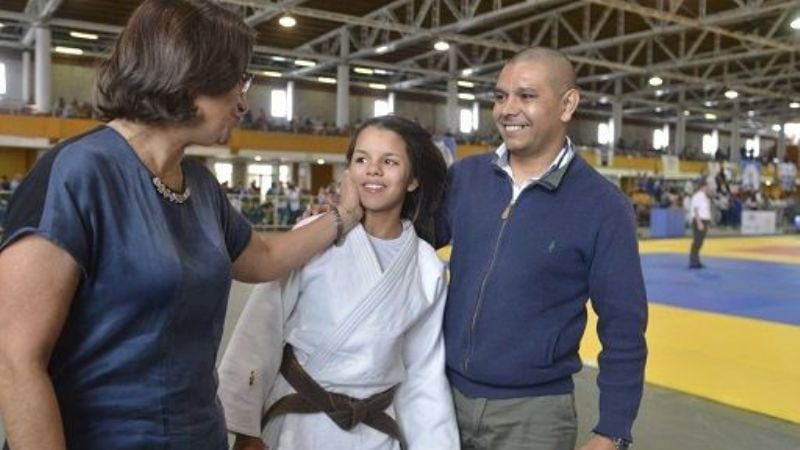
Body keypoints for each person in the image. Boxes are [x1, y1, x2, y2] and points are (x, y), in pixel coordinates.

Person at [0, 1, 363, 449]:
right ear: (192, 79)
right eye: (238, 82)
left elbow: (264, 258)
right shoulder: (78, 174)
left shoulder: (199, 183)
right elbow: (16, 360)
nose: (243, 102)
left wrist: (343, 216)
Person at [436, 47, 648, 450]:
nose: (507, 109)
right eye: (500, 96)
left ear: (568, 104)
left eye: (526, 96)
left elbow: (623, 326)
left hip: (534, 415)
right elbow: (404, 239)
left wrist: (613, 431)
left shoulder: (603, 207)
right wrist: (340, 216)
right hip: (439, 397)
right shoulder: (465, 178)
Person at [218, 115, 458, 450]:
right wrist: (246, 429)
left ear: (414, 179)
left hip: (375, 432)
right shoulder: (313, 234)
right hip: (297, 425)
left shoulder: (425, 265)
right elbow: (261, 330)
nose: (372, 170)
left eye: (389, 161)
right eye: (362, 159)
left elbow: (423, 374)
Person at [689, 178, 712, 269]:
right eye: (707, 186)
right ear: (703, 186)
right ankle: (693, 261)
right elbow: (696, 209)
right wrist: (699, 222)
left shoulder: (705, 196)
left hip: (704, 220)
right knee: (697, 241)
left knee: (700, 242)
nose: (708, 188)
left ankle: (696, 261)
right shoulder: (698, 196)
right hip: (699, 220)